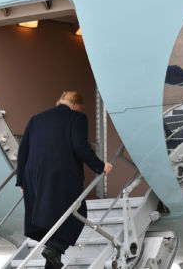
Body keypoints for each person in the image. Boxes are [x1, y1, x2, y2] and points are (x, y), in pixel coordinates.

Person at [16, 91, 113, 269]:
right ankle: (56, 248)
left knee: (51, 221)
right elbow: (79, 146)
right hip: (60, 174)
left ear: (59, 101)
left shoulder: (36, 119)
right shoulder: (77, 117)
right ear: (75, 105)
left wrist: (21, 179)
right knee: (77, 211)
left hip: (34, 176)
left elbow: (23, 150)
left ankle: (52, 259)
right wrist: (100, 166)